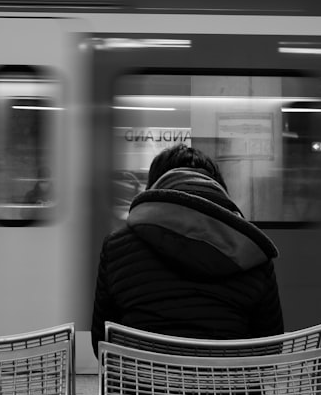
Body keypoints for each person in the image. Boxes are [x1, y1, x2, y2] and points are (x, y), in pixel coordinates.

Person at [91, 143, 283, 356]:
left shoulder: (116, 247)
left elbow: (101, 342)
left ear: (154, 188)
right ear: (218, 188)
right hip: (228, 388)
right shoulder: (252, 251)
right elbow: (269, 347)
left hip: (141, 387)